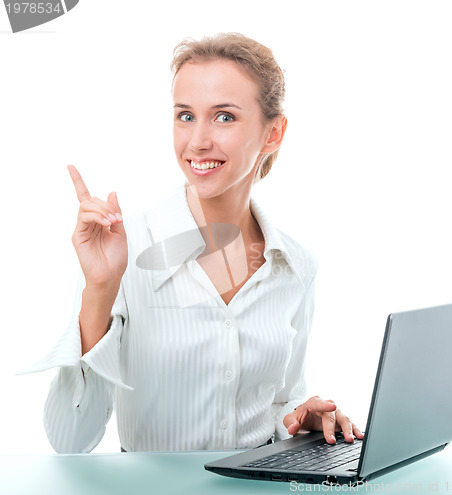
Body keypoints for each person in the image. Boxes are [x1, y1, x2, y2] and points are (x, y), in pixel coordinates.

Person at [25, 32, 364, 453]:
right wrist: (99, 291)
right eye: (185, 115)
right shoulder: (122, 252)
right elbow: (69, 441)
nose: (198, 141)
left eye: (224, 117)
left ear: (273, 133)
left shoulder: (296, 265)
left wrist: (302, 414)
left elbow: (280, 398)